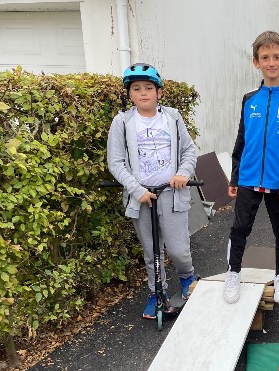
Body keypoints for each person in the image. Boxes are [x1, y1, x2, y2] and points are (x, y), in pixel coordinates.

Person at [107, 63, 198, 319]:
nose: (143, 93)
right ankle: (157, 292)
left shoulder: (172, 117)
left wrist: (183, 173)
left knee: (178, 248)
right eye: (136, 88)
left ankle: (187, 277)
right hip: (142, 198)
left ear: (159, 92)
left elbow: (189, 151)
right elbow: (116, 162)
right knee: (152, 251)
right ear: (129, 94)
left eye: (149, 87)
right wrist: (137, 190)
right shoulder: (123, 122)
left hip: (171, 196)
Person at [223, 31, 279, 305]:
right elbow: (241, 139)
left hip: (278, 181)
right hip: (247, 178)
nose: (271, 62)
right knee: (240, 229)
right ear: (256, 62)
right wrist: (235, 176)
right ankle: (233, 272)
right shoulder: (249, 99)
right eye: (265, 57)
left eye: (276, 57)